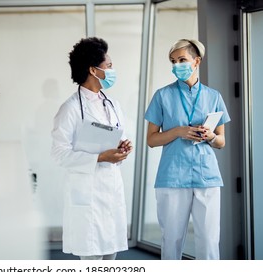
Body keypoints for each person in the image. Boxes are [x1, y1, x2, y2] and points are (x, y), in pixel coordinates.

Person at [144, 39, 231, 260]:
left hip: (207, 176)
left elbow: (221, 141)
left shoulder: (214, 97)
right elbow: (151, 140)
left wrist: (211, 136)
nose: (177, 66)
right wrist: (178, 131)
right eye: (173, 61)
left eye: (182, 60)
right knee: (171, 241)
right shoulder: (162, 96)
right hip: (172, 177)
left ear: (197, 61)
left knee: (209, 241)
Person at [51, 37, 133, 260]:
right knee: (92, 260)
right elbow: (59, 154)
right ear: (93, 70)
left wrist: (123, 148)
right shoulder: (70, 109)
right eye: (108, 66)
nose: (112, 70)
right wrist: (99, 158)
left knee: (111, 256)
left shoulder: (112, 104)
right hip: (87, 194)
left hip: (111, 190)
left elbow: (118, 137)